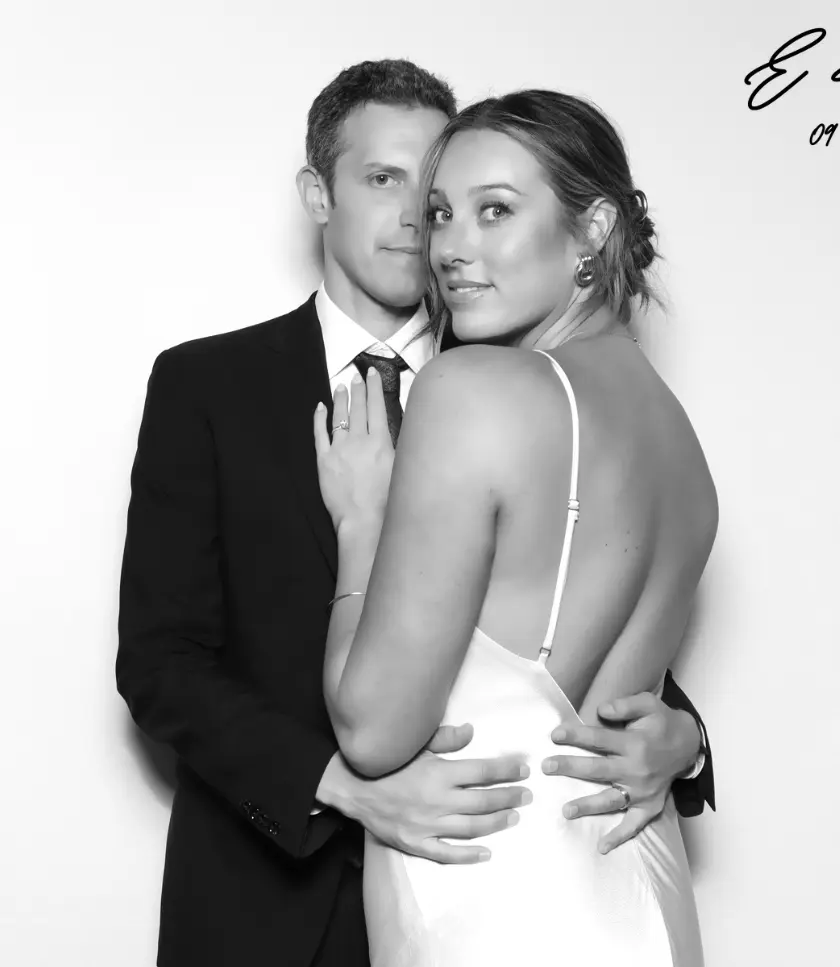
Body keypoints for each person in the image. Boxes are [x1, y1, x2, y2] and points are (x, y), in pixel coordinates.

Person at [116, 61, 712, 967]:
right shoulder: (207, 386)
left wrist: (688, 739)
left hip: (495, 891)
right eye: (388, 182)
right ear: (318, 192)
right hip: (271, 911)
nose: (422, 224)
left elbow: (572, 625)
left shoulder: (500, 384)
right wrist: (341, 789)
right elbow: (159, 662)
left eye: (436, 188)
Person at [316, 88, 716, 965]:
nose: (452, 246)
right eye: (441, 213)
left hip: (502, 900)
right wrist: (684, 745)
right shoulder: (681, 444)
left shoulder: (469, 390)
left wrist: (361, 522)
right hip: (637, 883)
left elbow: (375, 730)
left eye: (496, 211)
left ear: (595, 227)